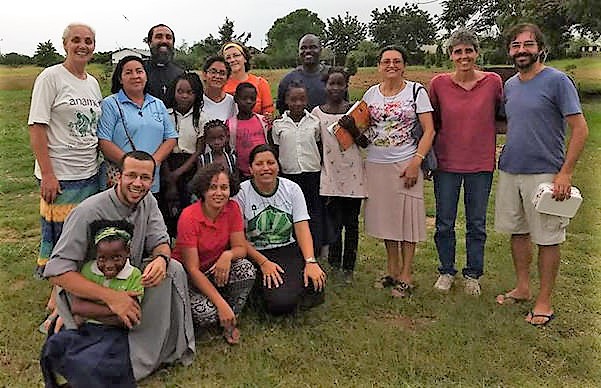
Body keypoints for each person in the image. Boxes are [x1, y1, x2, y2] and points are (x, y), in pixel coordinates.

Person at [43, 150, 195, 380]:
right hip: (90, 291)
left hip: (127, 283)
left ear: (152, 181)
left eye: (145, 178)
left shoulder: (149, 202)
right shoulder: (88, 211)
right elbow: (58, 271)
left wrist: (161, 260)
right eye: (131, 175)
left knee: (173, 270)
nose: (137, 183)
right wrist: (111, 298)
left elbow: (161, 242)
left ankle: (158, 347)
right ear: (117, 177)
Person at [494, 23, 589, 326]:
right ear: (510, 51)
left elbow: (580, 128)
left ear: (540, 48)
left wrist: (566, 172)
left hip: (546, 173)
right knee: (518, 232)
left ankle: (544, 301)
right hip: (511, 170)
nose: (521, 50)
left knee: (548, 238)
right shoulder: (510, 85)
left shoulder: (557, 81)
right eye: (516, 45)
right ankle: (523, 288)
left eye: (528, 44)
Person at [341, 46, 435, 298]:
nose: (391, 65)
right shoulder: (371, 94)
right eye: (386, 61)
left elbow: (429, 130)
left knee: (407, 220)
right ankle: (392, 270)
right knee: (387, 220)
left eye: (396, 61)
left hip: (406, 163)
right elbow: (363, 129)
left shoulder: (416, 92)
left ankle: (406, 274)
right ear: (379, 66)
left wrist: (417, 162)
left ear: (404, 65)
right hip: (376, 164)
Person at [428, 29, 504, 296]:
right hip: (446, 163)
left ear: (477, 52)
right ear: (451, 55)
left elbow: (500, 115)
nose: (464, 56)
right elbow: (432, 123)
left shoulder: (493, 82)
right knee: (445, 222)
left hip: (480, 164)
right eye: (458, 51)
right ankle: (446, 271)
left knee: (476, 223)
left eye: (468, 50)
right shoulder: (438, 84)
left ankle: (473, 273)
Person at [28, 23, 102, 278]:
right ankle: (59, 278)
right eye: (76, 40)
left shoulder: (92, 83)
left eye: (88, 41)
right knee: (61, 230)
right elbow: (37, 126)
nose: (83, 45)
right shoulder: (51, 77)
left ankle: (79, 274)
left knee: (82, 229)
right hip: (61, 172)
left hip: (88, 170)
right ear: (65, 44)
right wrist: (47, 174)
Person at [40, 220, 141, 388]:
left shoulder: (134, 276)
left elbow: (127, 320)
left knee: (91, 361)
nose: (108, 265)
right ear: (96, 254)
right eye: (102, 259)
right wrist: (115, 302)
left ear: (128, 252)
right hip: (86, 328)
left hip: (113, 333)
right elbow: (77, 307)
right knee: (53, 346)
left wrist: (89, 309)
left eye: (116, 258)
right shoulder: (88, 270)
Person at [234, 144, 326, 315]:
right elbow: (238, 239)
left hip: (286, 249)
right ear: (250, 169)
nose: (266, 168)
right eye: (259, 164)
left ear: (278, 165)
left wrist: (311, 261)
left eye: (270, 162)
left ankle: (274, 292)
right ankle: (262, 295)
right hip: (254, 252)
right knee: (280, 303)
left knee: (315, 283)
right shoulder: (241, 193)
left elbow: (302, 228)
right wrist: (263, 263)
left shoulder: (292, 189)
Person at [172, 164, 255, 344]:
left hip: (216, 270)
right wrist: (220, 303)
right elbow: (192, 270)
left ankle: (230, 318)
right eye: (212, 187)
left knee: (246, 268)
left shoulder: (232, 208)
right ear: (202, 190)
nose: (219, 193)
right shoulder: (189, 216)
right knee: (207, 313)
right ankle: (219, 312)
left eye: (224, 188)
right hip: (190, 279)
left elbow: (240, 248)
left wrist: (227, 255)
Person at [311, 67, 367, 285]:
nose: (335, 88)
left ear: (346, 86)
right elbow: (316, 144)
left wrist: (352, 128)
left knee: (351, 224)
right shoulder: (318, 113)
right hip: (331, 177)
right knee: (334, 223)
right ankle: (334, 264)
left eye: (340, 84)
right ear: (325, 86)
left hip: (354, 176)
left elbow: (365, 143)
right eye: (331, 84)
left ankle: (348, 267)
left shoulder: (356, 110)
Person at [97, 55, 178, 194]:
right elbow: (104, 141)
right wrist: (131, 165)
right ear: (120, 79)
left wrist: (152, 163)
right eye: (128, 72)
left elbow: (171, 138)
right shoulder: (110, 104)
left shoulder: (157, 104)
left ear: (146, 76)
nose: (135, 76)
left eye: (139, 71)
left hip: (151, 182)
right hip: (121, 181)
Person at [272, 81, 323, 256]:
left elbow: (319, 146)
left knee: (313, 211)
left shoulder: (315, 122)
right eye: (293, 100)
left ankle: (314, 248)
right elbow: (276, 150)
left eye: (302, 99)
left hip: (312, 173)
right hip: (289, 175)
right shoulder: (279, 125)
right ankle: (294, 249)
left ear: (307, 100)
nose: (298, 103)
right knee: (292, 212)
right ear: (286, 101)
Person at [160, 72, 207, 237]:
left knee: (187, 206)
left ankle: (187, 240)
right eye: (180, 91)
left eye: (190, 92)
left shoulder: (200, 117)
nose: (184, 96)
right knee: (167, 206)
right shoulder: (165, 114)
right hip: (166, 163)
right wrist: (169, 176)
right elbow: (162, 146)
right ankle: (169, 240)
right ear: (174, 91)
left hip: (189, 166)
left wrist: (178, 173)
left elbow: (199, 149)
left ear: (197, 94)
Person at [226, 82, 269, 180]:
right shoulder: (231, 124)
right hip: (242, 173)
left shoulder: (263, 121)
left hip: (263, 170)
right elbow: (229, 148)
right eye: (244, 98)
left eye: (252, 99)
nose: (249, 101)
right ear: (236, 99)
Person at [277, 34, 328, 114]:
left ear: (321, 50)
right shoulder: (287, 80)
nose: (307, 51)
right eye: (303, 48)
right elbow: (282, 110)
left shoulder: (332, 77)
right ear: (298, 52)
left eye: (312, 47)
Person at [222, 42, 275, 117]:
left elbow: (268, 114)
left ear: (245, 58)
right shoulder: (221, 85)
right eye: (228, 58)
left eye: (236, 55)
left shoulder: (260, 83)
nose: (232, 60)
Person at [143, 24, 184, 105]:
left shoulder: (181, 74)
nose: (164, 41)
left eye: (168, 38)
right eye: (159, 37)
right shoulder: (139, 71)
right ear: (149, 42)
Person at [202, 56, 236, 121]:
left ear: (227, 78)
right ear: (204, 75)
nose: (217, 76)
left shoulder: (232, 102)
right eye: (213, 72)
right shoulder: (196, 100)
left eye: (222, 73)